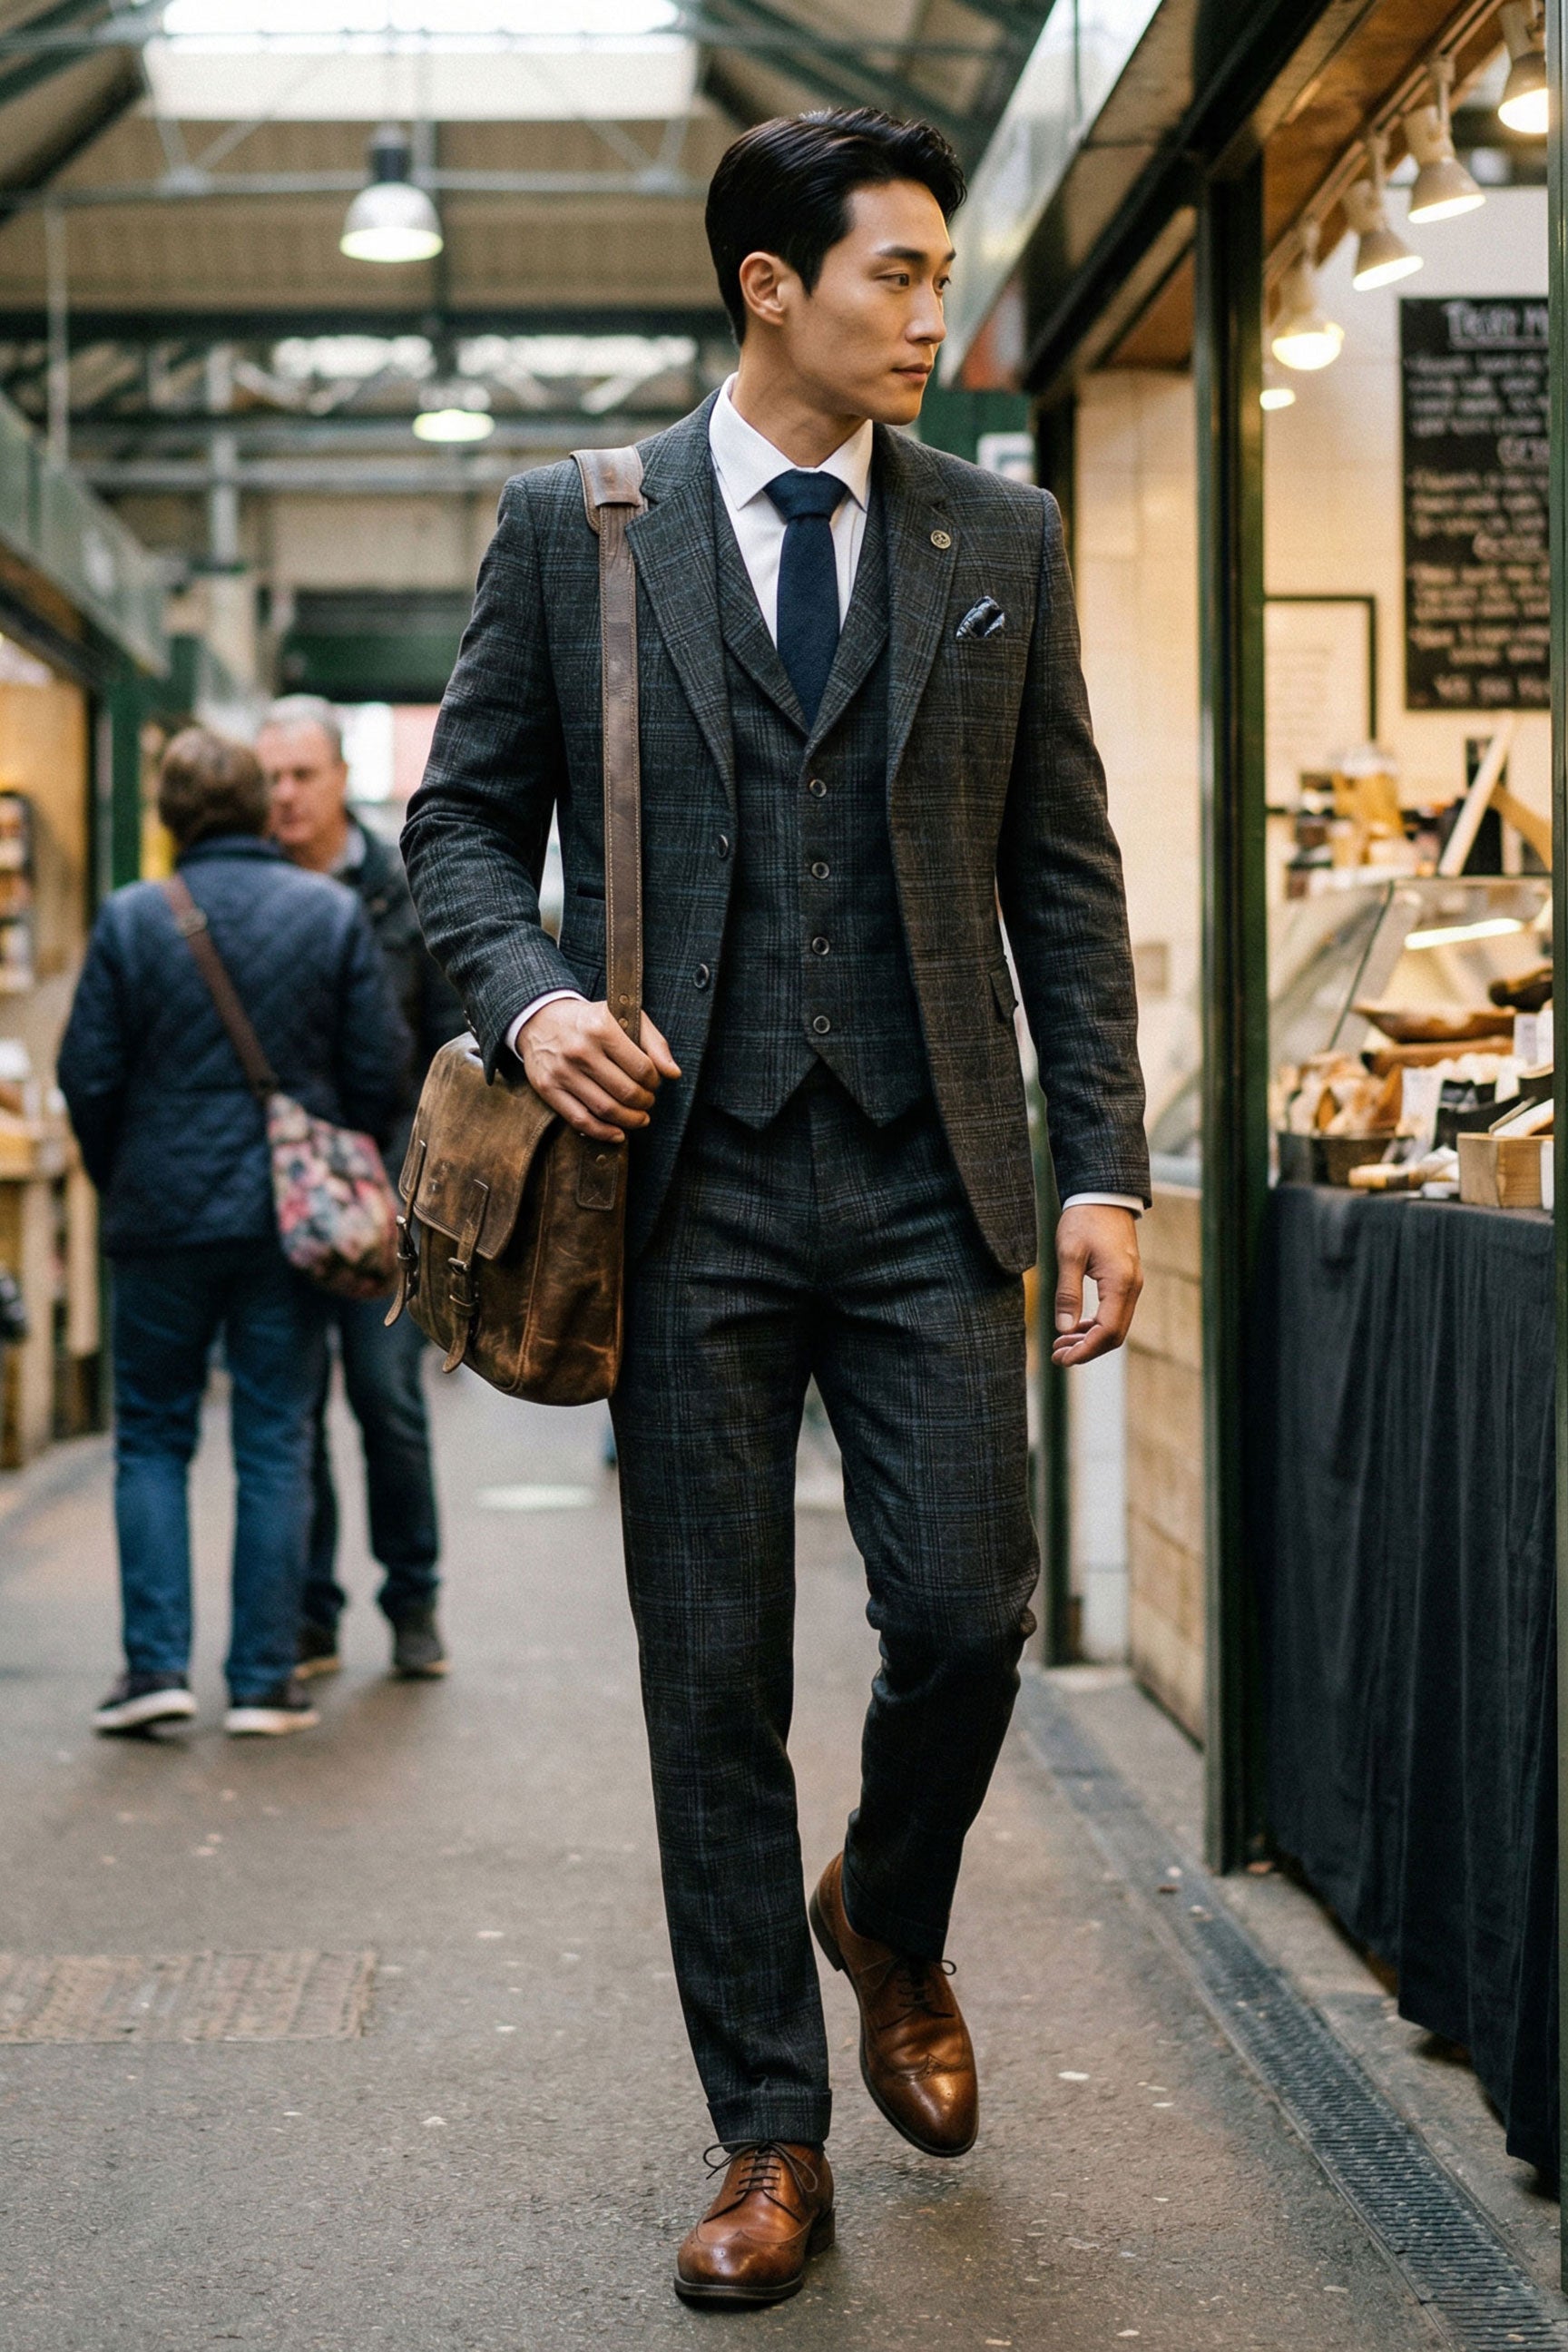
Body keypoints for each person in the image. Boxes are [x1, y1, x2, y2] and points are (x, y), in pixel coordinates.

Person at [402, 108, 1149, 2305]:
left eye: (935, 275)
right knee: (706, 1673)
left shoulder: (991, 529)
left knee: (965, 1612)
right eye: (896, 275)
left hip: (929, 1174)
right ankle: (763, 2131)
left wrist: (1097, 1156)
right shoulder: (579, 529)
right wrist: (532, 1004)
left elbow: (1060, 881)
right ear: (769, 287)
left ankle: (884, 1917)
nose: (935, 311)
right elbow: (457, 832)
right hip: (683, 1188)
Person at [59, 728, 409, 1738]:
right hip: (284, 1221)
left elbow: (88, 1074)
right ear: (262, 808)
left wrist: (120, 1174)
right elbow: (381, 1071)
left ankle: (154, 1670)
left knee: (154, 1439)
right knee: (274, 1436)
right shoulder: (328, 911)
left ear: (170, 818)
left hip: (158, 1218)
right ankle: (263, 1679)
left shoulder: (130, 919)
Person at [258, 696, 466, 1681]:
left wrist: (412, 1187)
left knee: (387, 1406)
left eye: (301, 775)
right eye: (270, 779)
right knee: (290, 1416)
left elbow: (445, 1051)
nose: (284, 796)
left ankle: (413, 1603)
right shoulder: (244, 890)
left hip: (387, 1193)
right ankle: (311, 1615)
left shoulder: (400, 892)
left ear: (341, 777)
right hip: (277, 1200)